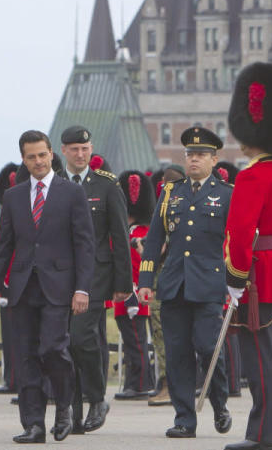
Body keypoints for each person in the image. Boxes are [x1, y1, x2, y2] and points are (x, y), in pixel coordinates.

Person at [0, 130, 95, 443]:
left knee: (52, 349)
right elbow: (3, 247)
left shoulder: (71, 193)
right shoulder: (14, 196)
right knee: (26, 357)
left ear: (51, 155)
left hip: (59, 288)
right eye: (31, 157)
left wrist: (82, 288)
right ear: (24, 159)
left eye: (42, 155)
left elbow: (85, 245)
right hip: (21, 287)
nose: (38, 162)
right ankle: (33, 424)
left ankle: (64, 407)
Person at [223, 62, 272, 450]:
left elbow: (239, 233)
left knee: (261, 361)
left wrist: (236, 277)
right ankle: (262, 431)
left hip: (255, 276)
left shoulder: (253, 177)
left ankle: (268, 437)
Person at [136, 126, 233, 439]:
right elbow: (154, 240)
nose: (194, 160)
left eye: (201, 155)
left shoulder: (226, 194)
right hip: (174, 284)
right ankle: (184, 420)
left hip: (208, 285)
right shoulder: (170, 193)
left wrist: (235, 281)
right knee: (177, 355)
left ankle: (219, 402)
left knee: (207, 347)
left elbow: (235, 242)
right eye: (190, 154)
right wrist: (146, 279)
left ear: (214, 159)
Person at [58, 126, 131, 434]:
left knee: (81, 337)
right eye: (74, 149)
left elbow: (119, 236)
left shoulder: (106, 185)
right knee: (64, 344)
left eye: (85, 149)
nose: (80, 154)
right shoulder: (55, 184)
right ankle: (72, 412)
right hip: (59, 276)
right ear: (63, 151)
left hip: (96, 277)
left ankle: (97, 398)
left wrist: (123, 282)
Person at [147, 162, 186, 408]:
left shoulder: (175, 209)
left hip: (170, 277)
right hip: (170, 277)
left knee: (163, 334)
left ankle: (168, 384)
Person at [115, 170, 155, 400]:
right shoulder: (126, 231)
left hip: (136, 295)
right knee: (132, 342)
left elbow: (139, 265)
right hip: (124, 295)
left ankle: (140, 383)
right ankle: (135, 380)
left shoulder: (142, 233)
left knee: (137, 342)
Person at [215, 161, 243, 399]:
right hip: (219, 269)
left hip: (226, 270)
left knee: (229, 331)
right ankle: (231, 381)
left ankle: (233, 382)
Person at [0, 162, 20, 397]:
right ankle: (12, 378)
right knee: (9, 337)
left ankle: (18, 379)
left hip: (18, 284)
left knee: (20, 338)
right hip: (8, 286)